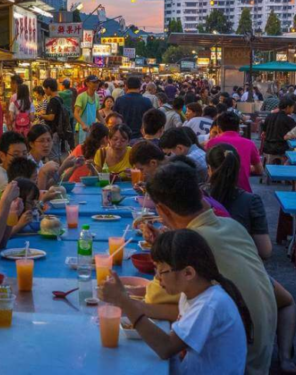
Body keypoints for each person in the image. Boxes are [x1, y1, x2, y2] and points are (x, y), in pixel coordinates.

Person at [139, 162, 277, 375]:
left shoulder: (195, 244)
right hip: (260, 357)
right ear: (200, 193)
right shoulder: (232, 226)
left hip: (236, 366)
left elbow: (154, 299)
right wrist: (168, 247)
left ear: (162, 210)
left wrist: (128, 304)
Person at [99, 229, 250, 374]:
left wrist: (126, 303)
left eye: (161, 271)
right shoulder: (192, 292)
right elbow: (176, 315)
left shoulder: (210, 305)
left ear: (188, 273)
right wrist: (131, 304)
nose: (157, 277)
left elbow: (165, 348)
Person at [205, 144, 271, 259]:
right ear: (238, 169)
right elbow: (265, 251)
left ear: (209, 169)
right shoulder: (252, 201)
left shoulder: (197, 197)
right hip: (240, 265)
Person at [206, 112, 263, 192]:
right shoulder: (249, 144)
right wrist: (247, 167)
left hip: (216, 191)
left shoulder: (211, 143)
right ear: (238, 129)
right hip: (243, 191)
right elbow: (259, 170)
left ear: (218, 129)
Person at [39, 78, 70, 159]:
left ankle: (56, 171)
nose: (45, 91)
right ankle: (60, 170)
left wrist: (41, 115)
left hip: (54, 131)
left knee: (53, 155)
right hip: (59, 130)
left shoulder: (53, 100)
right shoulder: (59, 98)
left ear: (49, 88)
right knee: (58, 154)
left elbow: (51, 117)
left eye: (45, 88)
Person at [74, 75, 100, 144]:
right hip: (81, 129)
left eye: (97, 82)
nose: (96, 84)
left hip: (92, 129)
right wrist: (83, 124)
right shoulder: (81, 96)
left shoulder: (97, 96)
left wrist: (105, 125)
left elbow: (97, 113)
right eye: (94, 82)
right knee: (81, 151)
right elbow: (76, 113)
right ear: (87, 83)